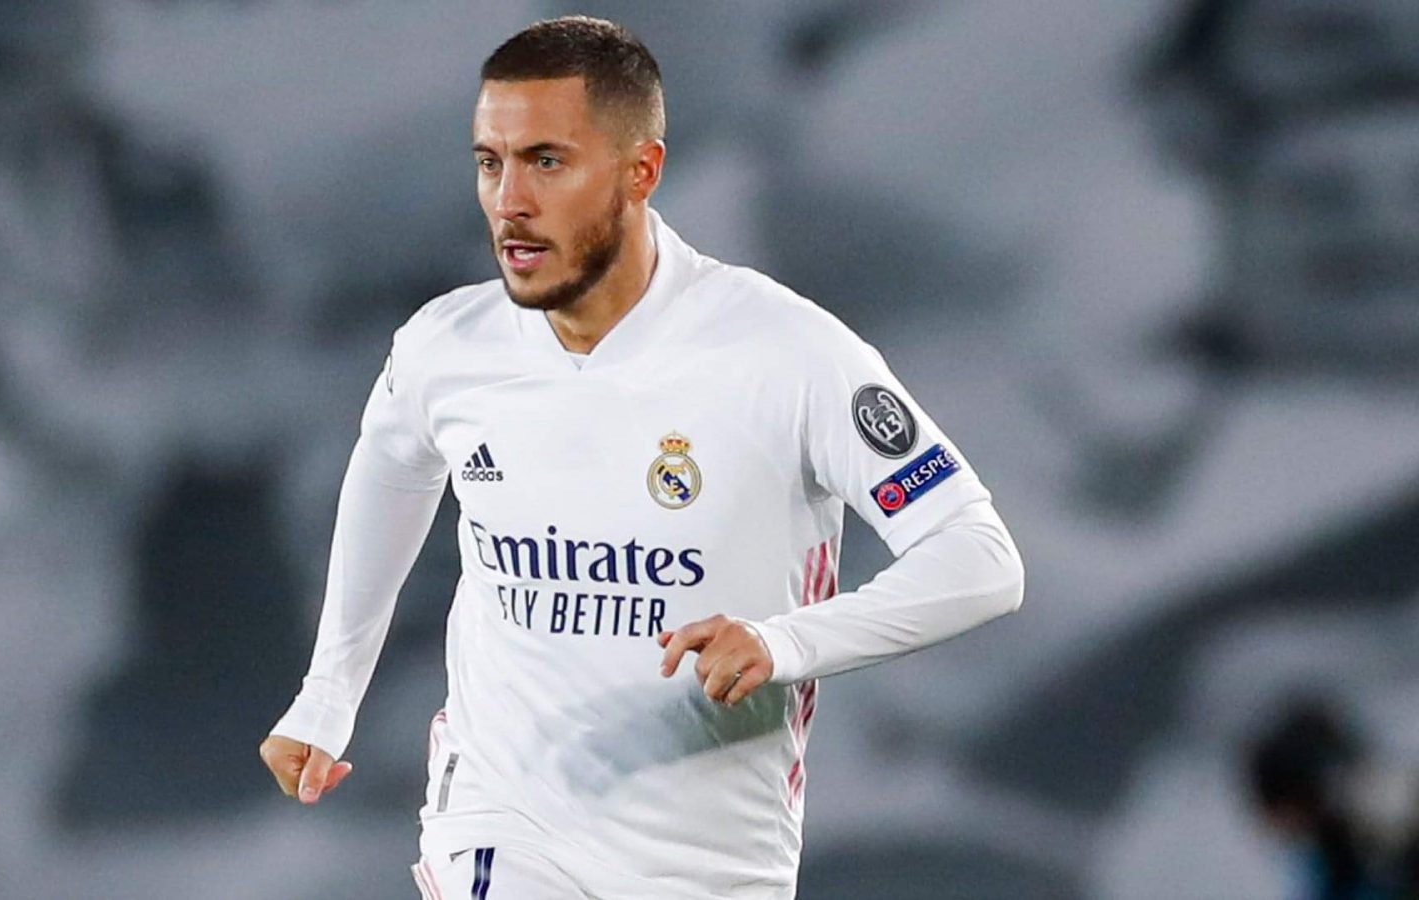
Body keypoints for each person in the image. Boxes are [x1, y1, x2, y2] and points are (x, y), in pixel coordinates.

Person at [258, 16, 1024, 900]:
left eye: (547, 161)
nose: (510, 200)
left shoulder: (789, 352)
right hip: (504, 829)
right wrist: (330, 692)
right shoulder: (447, 344)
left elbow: (979, 559)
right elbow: (392, 467)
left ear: (642, 171)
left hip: (713, 864)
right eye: (490, 163)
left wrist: (784, 643)